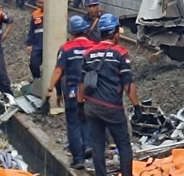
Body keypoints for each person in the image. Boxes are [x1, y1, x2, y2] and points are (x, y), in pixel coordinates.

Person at [78, 14, 143, 176]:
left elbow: (81, 83)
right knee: (124, 143)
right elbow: (128, 84)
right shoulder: (120, 53)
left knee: (97, 143)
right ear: (115, 33)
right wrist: (137, 106)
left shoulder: (88, 53)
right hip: (112, 107)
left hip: (91, 106)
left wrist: (80, 105)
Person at [45, 16, 95, 169]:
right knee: (86, 119)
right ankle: (88, 145)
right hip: (90, 91)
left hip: (73, 91)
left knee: (73, 123)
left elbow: (59, 70)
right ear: (85, 30)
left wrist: (50, 90)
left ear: (71, 32)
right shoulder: (94, 46)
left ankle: (78, 159)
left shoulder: (66, 48)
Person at [25, 0, 45, 80]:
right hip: (37, 43)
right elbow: (32, 30)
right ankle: (38, 80)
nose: (40, 5)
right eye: (39, 3)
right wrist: (29, 44)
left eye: (42, 3)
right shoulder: (35, 14)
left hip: (49, 43)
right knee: (33, 63)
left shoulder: (53, 12)